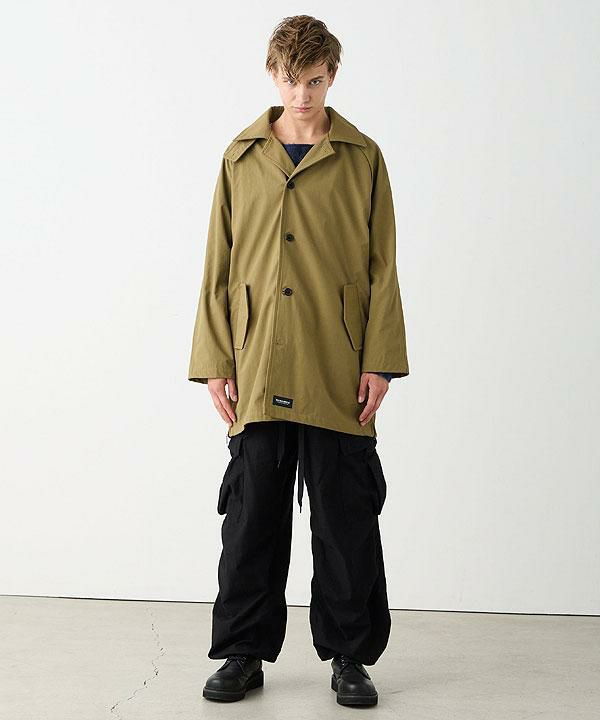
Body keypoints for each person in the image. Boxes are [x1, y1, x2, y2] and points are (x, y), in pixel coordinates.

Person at [188, 14, 409, 707]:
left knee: (345, 517)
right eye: (290, 80)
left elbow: (383, 266)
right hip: (256, 361)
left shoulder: (362, 158)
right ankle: (243, 652)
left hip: (336, 362)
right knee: (250, 515)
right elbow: (218, 265)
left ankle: (350, 656)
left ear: (331, 76)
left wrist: (379, 360)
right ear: (272, 74)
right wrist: (215, 360)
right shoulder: (240, 157)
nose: (301, 95)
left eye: (313, 81)